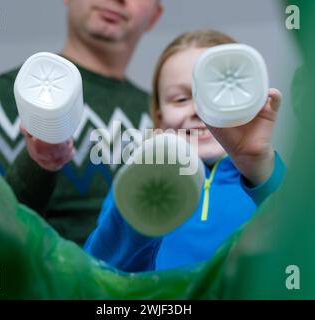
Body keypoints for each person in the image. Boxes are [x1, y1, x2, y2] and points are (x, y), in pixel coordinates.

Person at [84, 29, 285, 271]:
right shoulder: (136, 182)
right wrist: (141, 205)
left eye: (215, 95)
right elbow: (98, 277)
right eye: (180, 99)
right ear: (159, 118)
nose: (199, 111)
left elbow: (311, 258)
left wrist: (259, 165)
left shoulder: (275, 181)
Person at [0, 0, 163, 245]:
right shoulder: (20, 93)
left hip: (149, 281)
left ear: (154, 16)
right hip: (48, 280)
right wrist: (38, 161)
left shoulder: (161, 113)